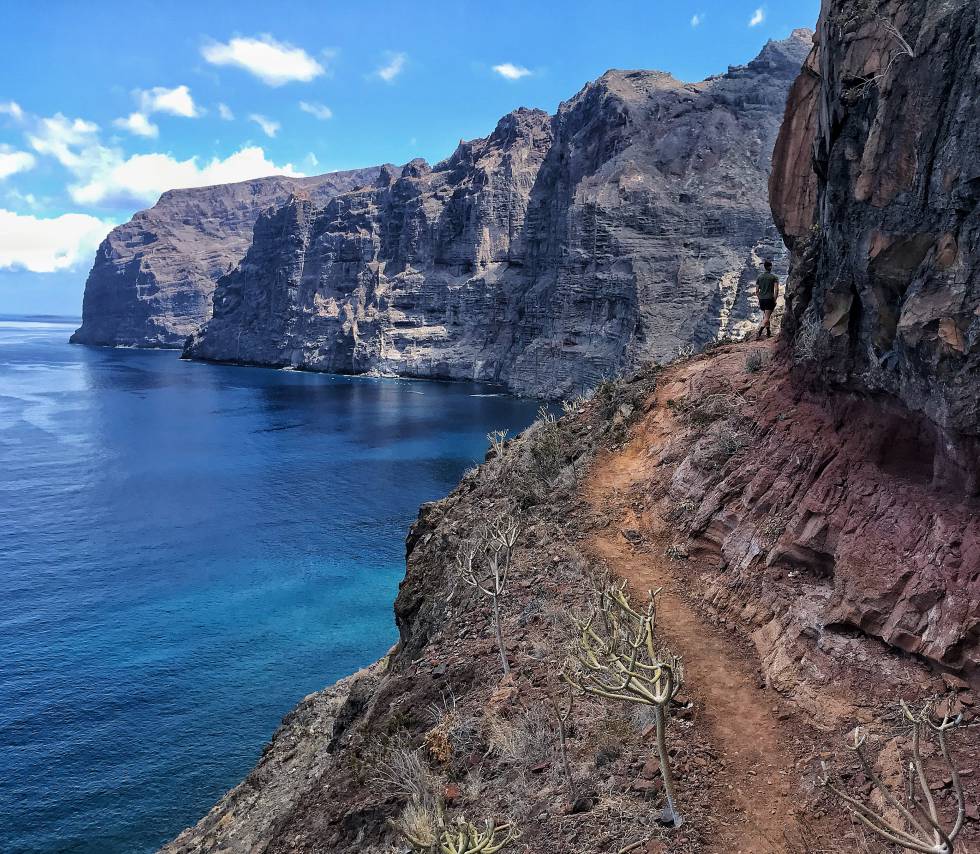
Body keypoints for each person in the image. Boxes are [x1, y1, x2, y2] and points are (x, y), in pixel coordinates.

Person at [755, 260, 779, 339]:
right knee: (766, 317)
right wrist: (774, 299)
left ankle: (768, 332)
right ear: (770, 267)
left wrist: (760, 298)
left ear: (764, 267)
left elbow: (757, 291)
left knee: (766, 315)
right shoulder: (774, 277)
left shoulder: (759, 277)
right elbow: (776, 289)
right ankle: (759, 333)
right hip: (769, 299)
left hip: (762, 299)